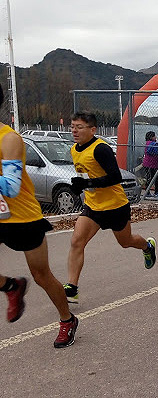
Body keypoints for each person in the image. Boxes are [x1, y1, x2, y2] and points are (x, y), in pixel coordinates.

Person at [0, 86, 78, 348]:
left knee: (42, 276)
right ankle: (11, 287)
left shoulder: (8, 139)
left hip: (23, 218)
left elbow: (10, 186)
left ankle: (67, 319)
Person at [63, 112, 157, 304]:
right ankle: (72, 288)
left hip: (115, 206)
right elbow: (87, 176)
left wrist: (87, 185)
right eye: (72, 126)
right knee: (76, 242)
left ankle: (147, 246)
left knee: (126, 241)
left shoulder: (101, 149)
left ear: (92, 130)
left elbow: (115, 177)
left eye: (79, 127)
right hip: (93, 207)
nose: (74, 130)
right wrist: (79, 185)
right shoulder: (74, 149)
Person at [142, 131, 158, 196]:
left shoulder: (147, 143)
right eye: (154, 136)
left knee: (149, 178)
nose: (155, 137)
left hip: (147, 163)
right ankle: (155, 192)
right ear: (151, 137)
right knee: (153, 178)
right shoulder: (154, 144)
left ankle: (147, 192)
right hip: (152, 163)